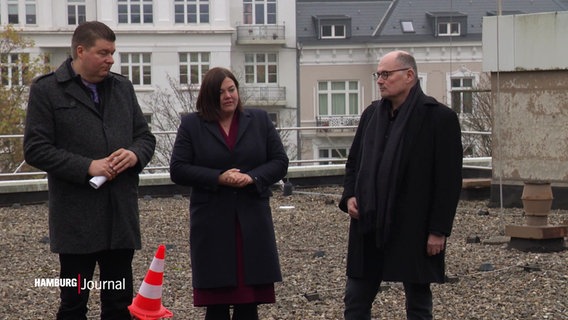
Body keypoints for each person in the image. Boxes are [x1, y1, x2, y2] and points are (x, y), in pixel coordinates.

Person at [23, 21, 156, 319]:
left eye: (113, 53)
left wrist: (134, 155)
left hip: (120, 217)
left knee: (119, 305)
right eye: (104, 52)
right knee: (73, 304)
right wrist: (88, 166)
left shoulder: (122, 87)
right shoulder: (47, 90)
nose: (111, 59)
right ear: (80, 51)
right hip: (76, 222)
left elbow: (145, 138)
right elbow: (35, 149)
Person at [338, 50, 463, 320]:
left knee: (418, 302)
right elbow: (353, 163)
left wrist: (438, 231)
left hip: (414, 226)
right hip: (369, 224)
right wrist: (349, 197)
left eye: (386, 74)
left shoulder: (439, 118)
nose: (380, 80)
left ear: (409, 76)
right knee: (355, 300)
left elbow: (448, 181)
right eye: (378, 75)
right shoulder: (371, 114)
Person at [169, 67, 289, 320]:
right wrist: (218, 177)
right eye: (221, 92)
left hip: (252, 218)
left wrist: (252, 177)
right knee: (217, 302)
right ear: (209, 96)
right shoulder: (192, 124)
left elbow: (279, 161)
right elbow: (178, 169)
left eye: (231, 89)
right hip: (212, 220)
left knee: (248, 303)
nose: (228, 96)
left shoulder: (259, 120)